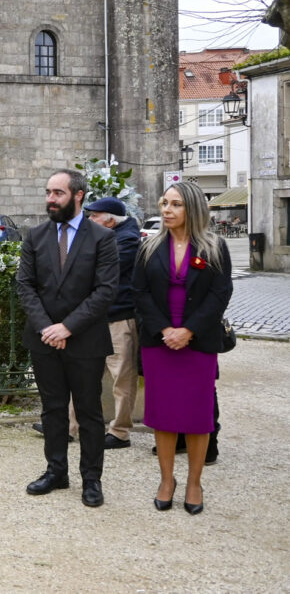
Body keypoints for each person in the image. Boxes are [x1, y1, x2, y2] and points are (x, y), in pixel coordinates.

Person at [16, 169, 117, 508]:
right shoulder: (35, 236)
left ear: (78, 195)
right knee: (53, 409)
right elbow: (25, 286)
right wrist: (48, 328)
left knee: (89, 412)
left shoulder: (102, 238)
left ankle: (92, 480)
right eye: (48, 192)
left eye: (57, 193)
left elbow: (105, 291)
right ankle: (56, 471)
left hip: (85, 341)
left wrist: (68, 327)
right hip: (44, 340)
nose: (50, 199)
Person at [134, 181, 232, 515]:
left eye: (175, 204)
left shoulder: (214, 247)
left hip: (198, 343)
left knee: (197, 416)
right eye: (164, 203)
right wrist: (165, 330)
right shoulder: (149, 247)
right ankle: (166, 480)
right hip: (159, 343)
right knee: (163, 415)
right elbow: (139, 292)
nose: (167, 210)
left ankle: (194, 483)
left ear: (192, 209)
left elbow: (220, 294)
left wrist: (188, 331)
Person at [80, 196, 142, 450]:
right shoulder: (104, 236)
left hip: (118, 316)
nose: (90, 220)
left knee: (122, 377)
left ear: (109, 220)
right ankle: (68, 426)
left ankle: (120, 432)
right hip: (95, 316)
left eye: (94, 216)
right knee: (82, 374)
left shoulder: (128, 239)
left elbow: (99, 270)